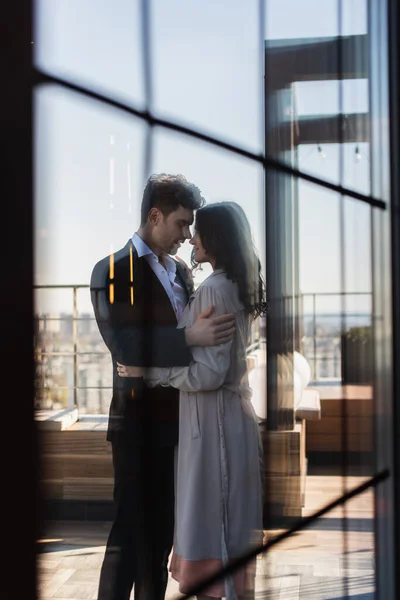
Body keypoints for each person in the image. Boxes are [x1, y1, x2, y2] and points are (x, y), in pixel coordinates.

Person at [90, 175, 237, 600]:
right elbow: (126, 346)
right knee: (128, 535)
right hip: (136, 426)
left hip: (180, 424)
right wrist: (191, 338)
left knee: (160, 537)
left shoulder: (180, 274)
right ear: (154, 216)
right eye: (181, 224)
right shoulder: (111, 269)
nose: (188, 235)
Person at [118, 201, 267, 600]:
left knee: (212, 530)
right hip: (223, 421)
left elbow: (208, 373)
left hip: (214, 426)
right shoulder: (234, 284)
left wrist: (149, 373)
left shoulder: (215, 288)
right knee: (227, 531)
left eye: (196, 230)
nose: (191, 238)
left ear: (214, 238)